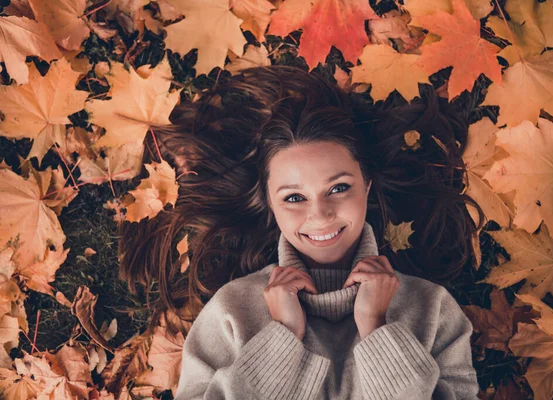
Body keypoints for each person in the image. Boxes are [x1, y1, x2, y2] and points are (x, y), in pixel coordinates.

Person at [117, 65, 485, 399]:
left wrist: (376, 328)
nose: (320, 214)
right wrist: (281, 338)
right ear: (269, 204)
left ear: (367, 185)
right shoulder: (232, 312)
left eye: (339, 188)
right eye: (294, 197)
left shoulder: (433, 310)